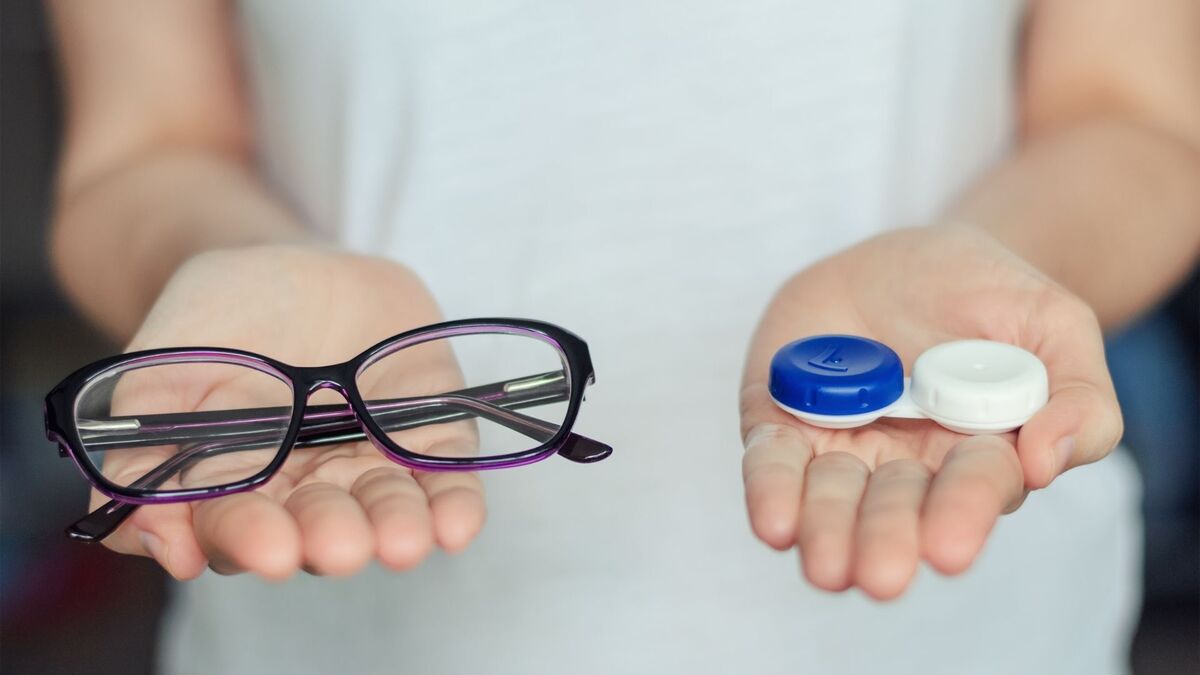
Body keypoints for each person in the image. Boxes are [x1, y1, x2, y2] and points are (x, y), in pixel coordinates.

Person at [46, 1, 1200, 673]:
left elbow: (1135, 121)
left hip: (965, 630)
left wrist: (998, 258)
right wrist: (232, 260)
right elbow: (141, 149)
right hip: (341, 621)